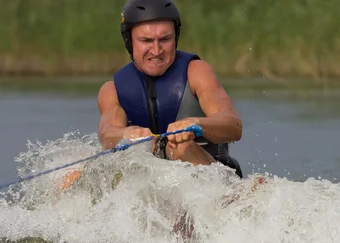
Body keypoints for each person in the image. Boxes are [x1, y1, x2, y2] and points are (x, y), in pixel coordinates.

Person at [96, 0, 244, 178]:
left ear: (176, 38)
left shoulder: (197, 72)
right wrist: (128, 134)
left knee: (179, 148)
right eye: (146, 40)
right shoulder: (112, 90)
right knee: (75, 174)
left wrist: (196, 125)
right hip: (152, 187)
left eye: (165, 39)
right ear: (129, 41)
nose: (156, 50)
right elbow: (106, 135)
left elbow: (233, 126)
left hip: (211, 175)